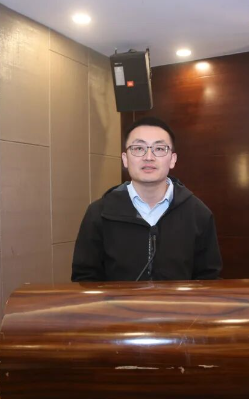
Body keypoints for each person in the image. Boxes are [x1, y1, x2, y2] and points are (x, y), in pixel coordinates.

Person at [72, 117, 222, 281]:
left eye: (159, 148)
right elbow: (85, 278)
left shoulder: (198, 213)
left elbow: (208, 278)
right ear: (125, 159)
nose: (148, 157)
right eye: (138, 148)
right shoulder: (99, 213)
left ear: (172, 159)